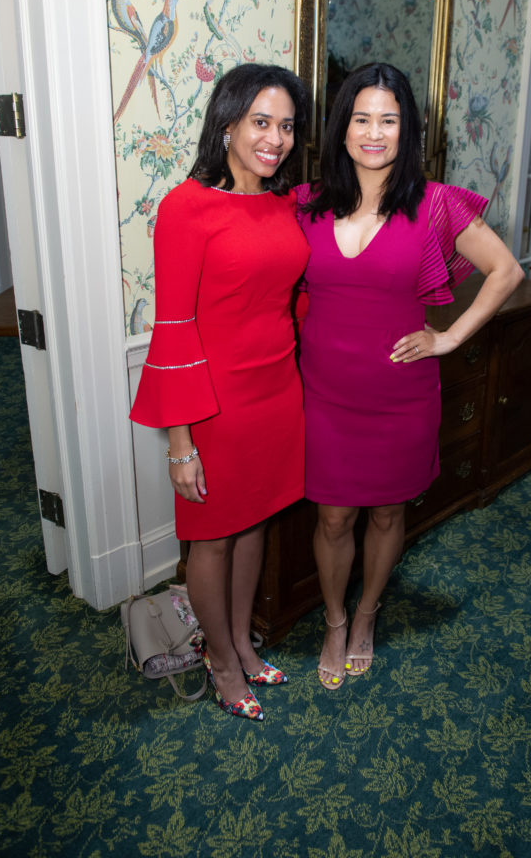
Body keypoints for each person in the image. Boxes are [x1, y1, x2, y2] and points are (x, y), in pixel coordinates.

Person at [295, 63, 523, 690]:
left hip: (400, 394)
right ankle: (335, 619)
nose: (374, 133)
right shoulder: (306, 204)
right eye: (361, 119)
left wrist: (449, 337)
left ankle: (367, 613)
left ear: (408, 130)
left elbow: (506, 271)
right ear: (342, 128)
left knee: (388, 515)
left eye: (389, 120)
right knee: (333, 519)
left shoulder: (435, 205)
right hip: (323, 394)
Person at [130, 63, 311, 721]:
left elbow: (292, 297)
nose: (276, 139)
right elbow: (174, 328)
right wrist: (179, 442)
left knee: (254, 522)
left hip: (278, 392)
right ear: (228, 123)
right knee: (211, 538)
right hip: (217, 404)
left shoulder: (285, 203)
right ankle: (222, 661)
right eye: (261, 122)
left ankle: (241, 641)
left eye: (286, 126)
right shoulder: (186, 207)